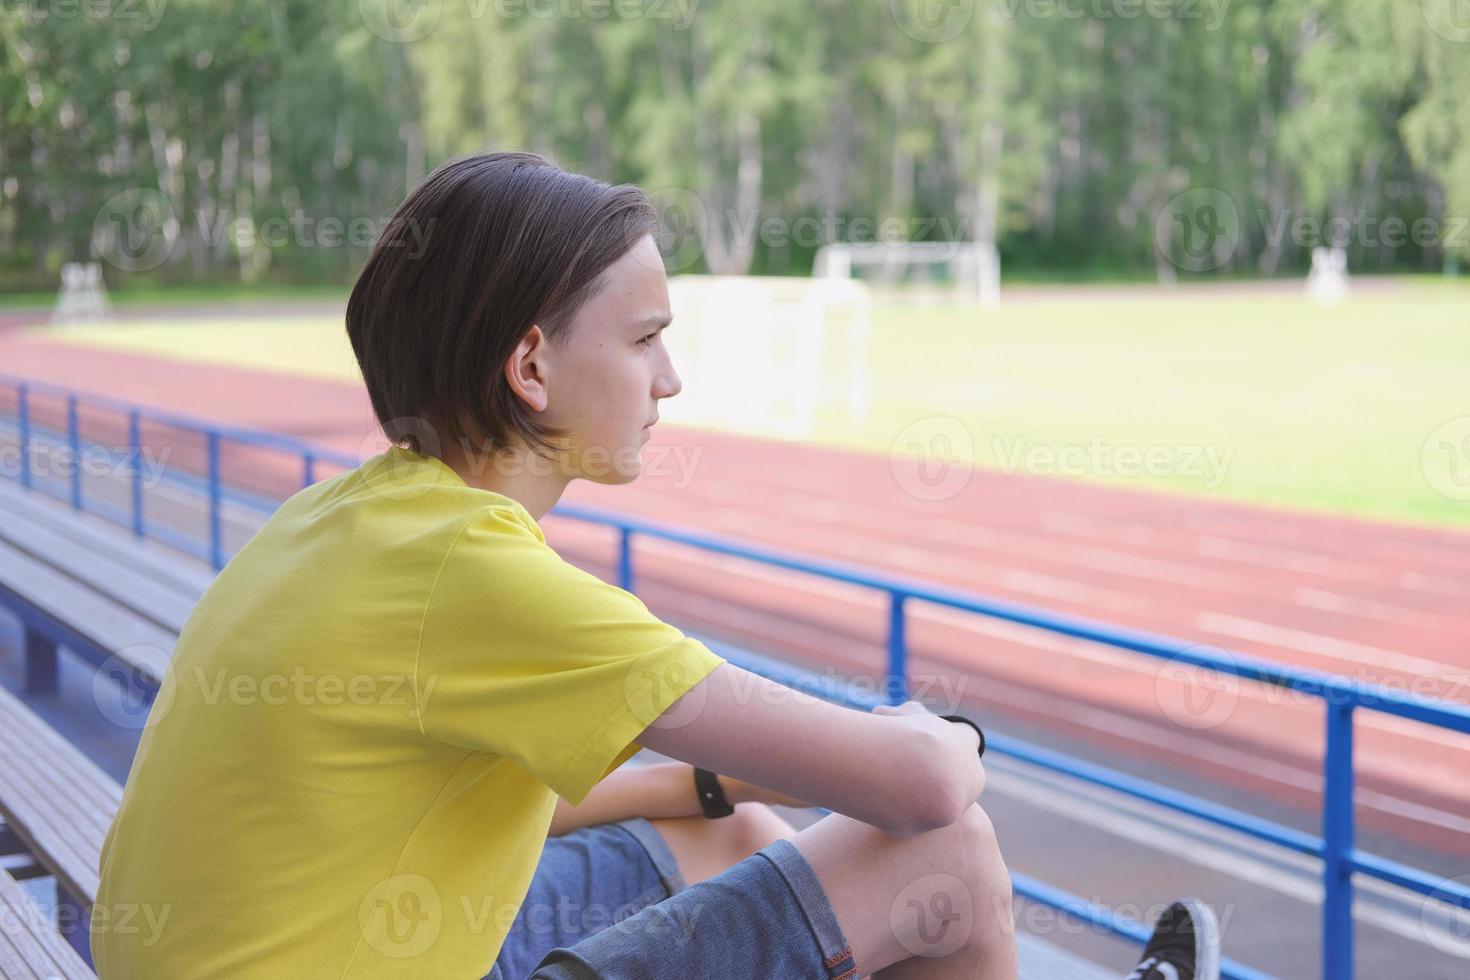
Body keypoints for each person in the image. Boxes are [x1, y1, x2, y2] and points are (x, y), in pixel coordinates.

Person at [92, 150, 1221, 980]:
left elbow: (469, 807)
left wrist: (714, 779)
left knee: (712, 826)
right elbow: (920, 785)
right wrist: (938, 734)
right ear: (530, 364)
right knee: (952, 854)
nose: (670, 379)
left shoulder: (344, 516)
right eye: (642, 339)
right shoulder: (476, 575)